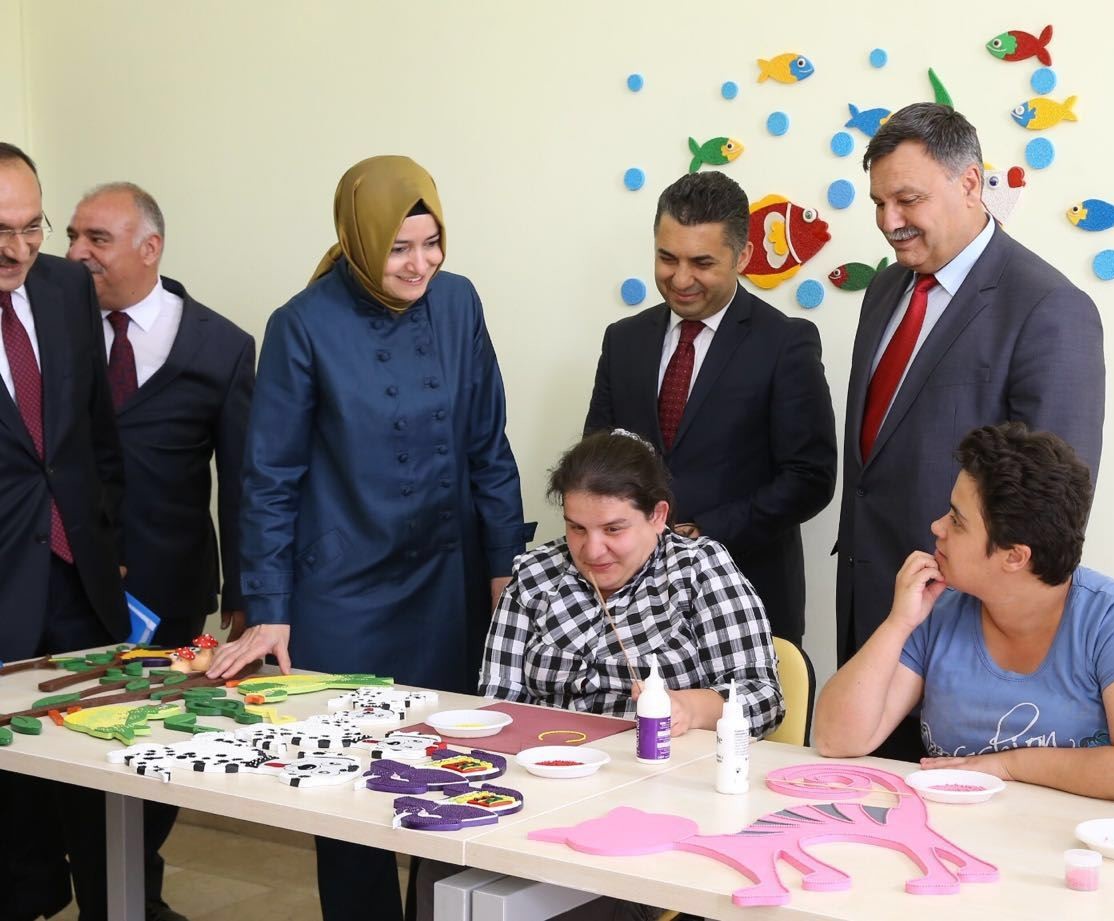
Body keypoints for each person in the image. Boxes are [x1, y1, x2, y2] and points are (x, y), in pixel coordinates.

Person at [208, 155, 533, 921]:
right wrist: (269, 606)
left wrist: (503, 571)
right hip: (343, 595)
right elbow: (269, 477)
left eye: (432, 242)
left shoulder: (459, 304)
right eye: (399, 247)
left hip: (445, 587)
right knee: (350, 795)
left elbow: (489, 446)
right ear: (359, 239)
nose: (420, 264)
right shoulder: (301, 323)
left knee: (452, 779)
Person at [835, 103, 1106, 761]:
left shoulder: (1048, 307)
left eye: (907, 200)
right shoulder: (885, 291)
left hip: (963, 624)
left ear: (969, 183)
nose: (889, 222)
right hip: (872, 602)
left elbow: (1053, 506)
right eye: (878, 203)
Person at [814, 423, 1114, 808]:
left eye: (957, 521)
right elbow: (835, 739)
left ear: (1015, 556)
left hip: (1091, 840)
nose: (937, 527)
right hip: (970, 836)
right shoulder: (938, 611)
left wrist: (1007, 765)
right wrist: (898, 624)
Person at [66, 181, 255, 921]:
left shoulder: (220, 345)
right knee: (73, 745)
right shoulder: (50, 328)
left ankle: (133, 892)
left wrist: (245, 592)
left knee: (154, 742)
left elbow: (242, 479)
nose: (76, 253)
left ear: (151, 248)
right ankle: (108, 900)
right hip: (64, 582)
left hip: (170, 591)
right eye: (72, 235)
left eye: (96, 239)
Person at [585, 171, 837, 644]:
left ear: (742, 256)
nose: (680, 279)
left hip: (747, 595)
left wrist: (703, 532)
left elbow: (810, 478)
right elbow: (597, 460)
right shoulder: (623, 341)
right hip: (631, 602)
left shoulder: (785, 343)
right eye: (667, 258)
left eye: (701, 262)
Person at [0, 144, 127, 920]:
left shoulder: (64, 287)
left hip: (78, 574)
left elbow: (94, 431)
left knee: (98, 767)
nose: (16, 249)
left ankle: (115, 904)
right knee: (12, 799)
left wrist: (110, 542)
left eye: (30, 227)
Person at [480, 430, 784, 739]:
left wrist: (688, 708)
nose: (592, 551)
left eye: (613, 529)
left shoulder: (698, 568)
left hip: (658, 762)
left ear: (657, 516)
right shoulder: (535, 574)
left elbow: (763, 699)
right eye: (577, 528)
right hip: (545, 758)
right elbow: (496, 700)